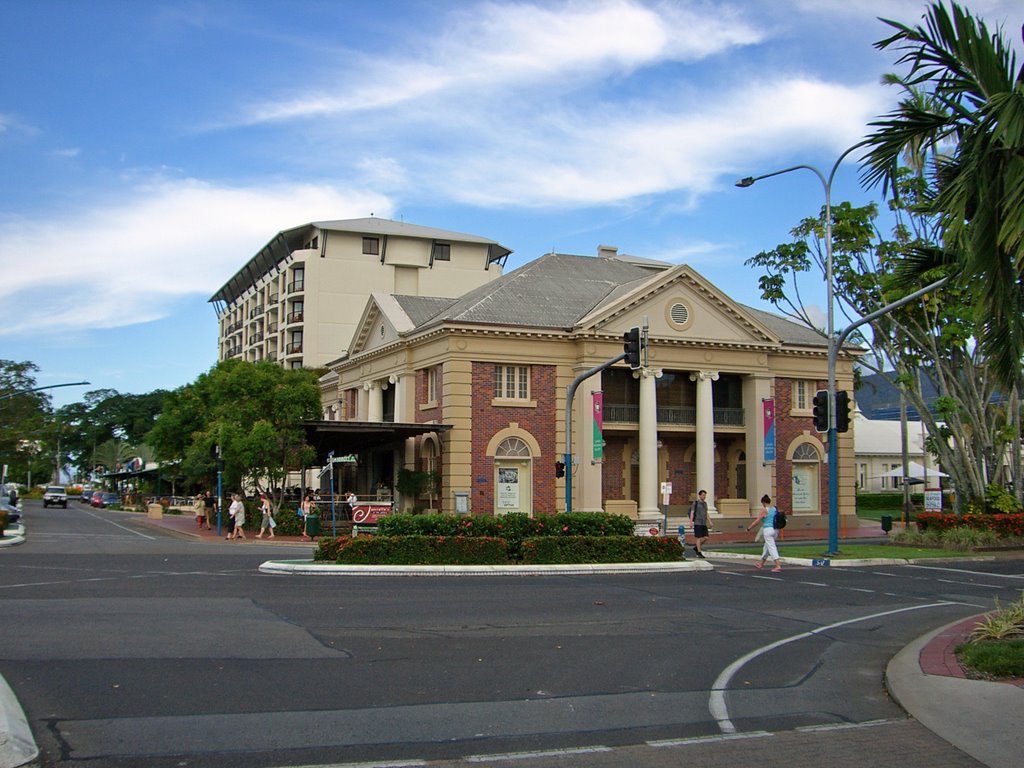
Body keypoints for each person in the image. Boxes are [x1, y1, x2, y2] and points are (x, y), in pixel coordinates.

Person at [747, 494, 782, 572]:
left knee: (772, 547)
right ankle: (761, 563)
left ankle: (778, 565)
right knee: (766, 547)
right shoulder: (774, 509)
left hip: (768, 530)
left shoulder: (764, 510)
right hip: (775, 530)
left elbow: (757, 521)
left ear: (763, 502)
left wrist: (749, 527)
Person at [689, 489, 710, 558]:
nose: (704, 497)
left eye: (705, 495)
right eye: (703, 495)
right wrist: (691, 522)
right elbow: (692, 512)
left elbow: (706, 513)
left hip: (704, 523)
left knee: (706, 537)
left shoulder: (705, 504)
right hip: (697, 522)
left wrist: (710, 521)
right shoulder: (696, 503)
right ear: (700, 495)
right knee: (698, 537)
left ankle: (697, 547)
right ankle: (699, 552)